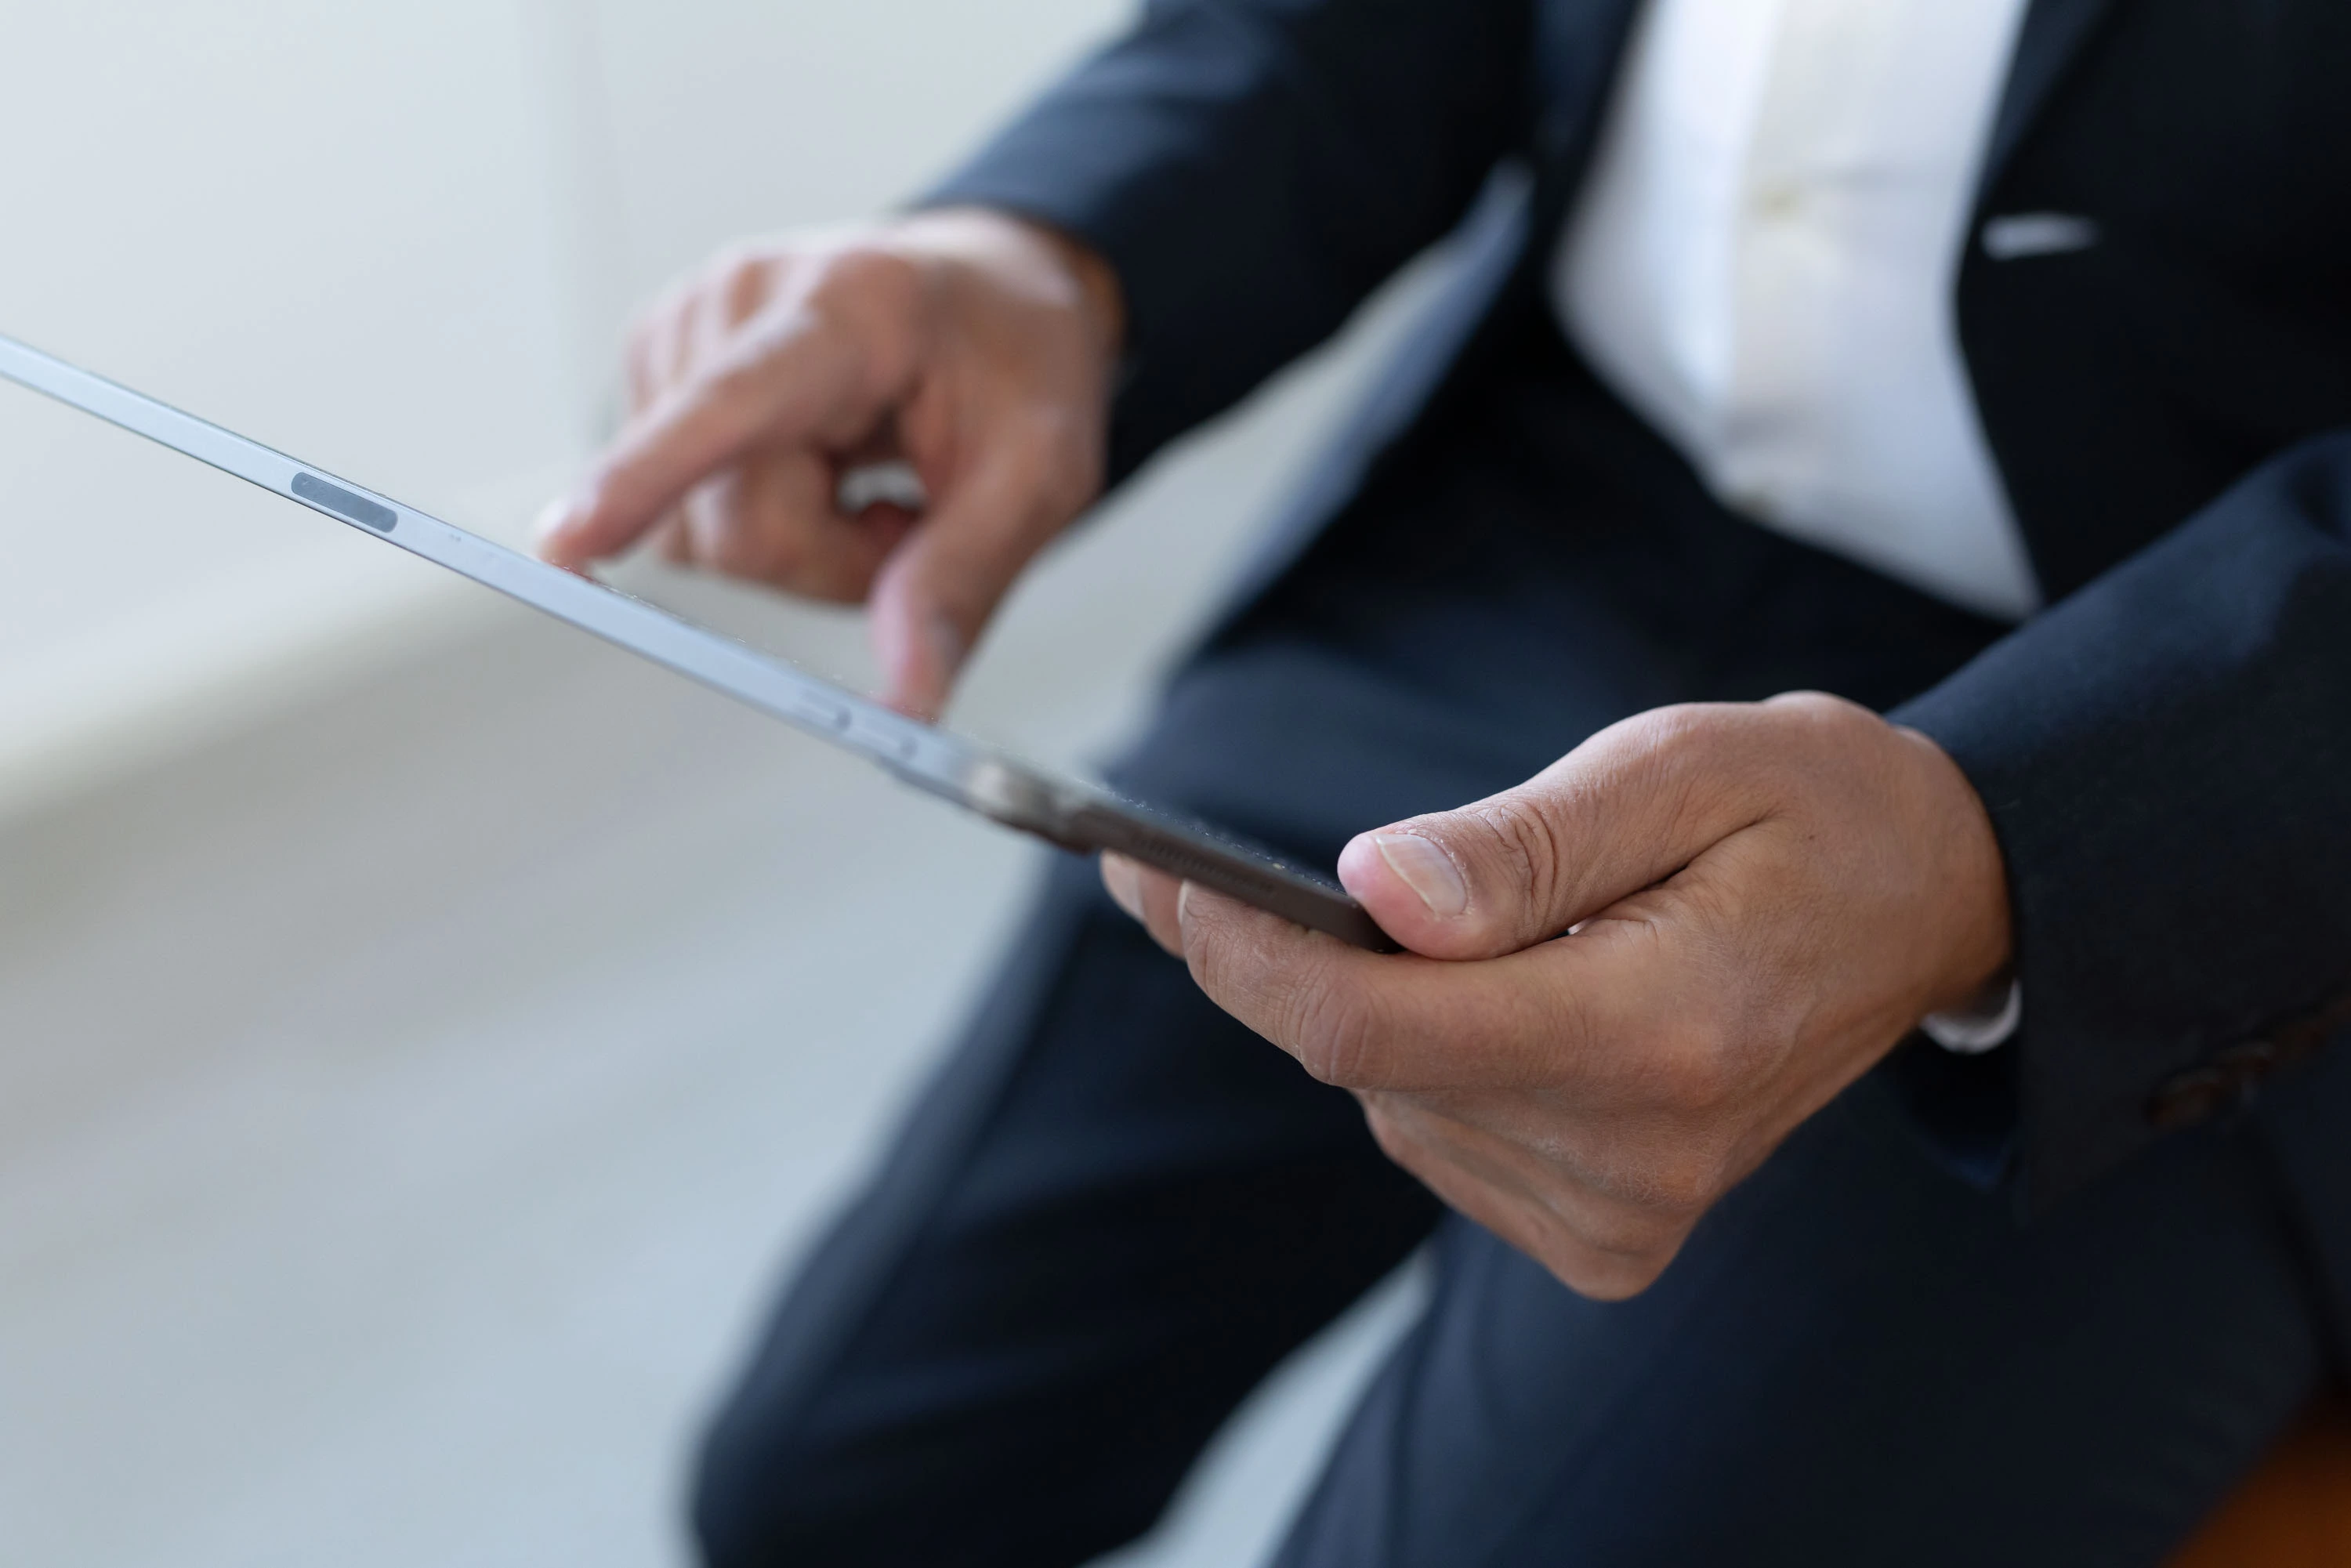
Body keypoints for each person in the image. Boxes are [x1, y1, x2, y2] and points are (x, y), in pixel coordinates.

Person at [534, 0, 2351, 1562]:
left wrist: (1999, 849)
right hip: (1545, 521)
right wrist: (1050, 252)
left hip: (2180, 762)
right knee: (835, 1487)